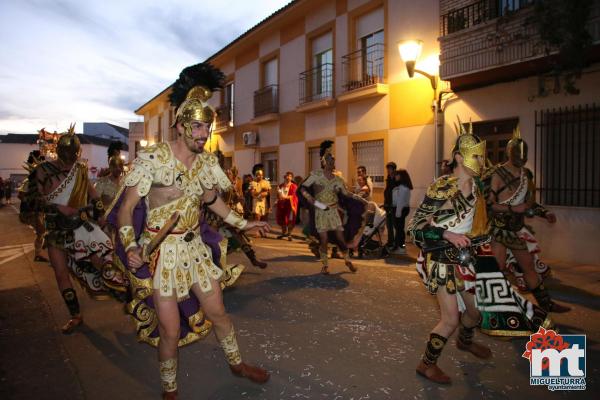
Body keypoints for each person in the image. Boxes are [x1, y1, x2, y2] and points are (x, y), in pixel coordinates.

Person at [117, 63, 270, 399]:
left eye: (208, 127)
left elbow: (214, 201)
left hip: (195, 250)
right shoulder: (154, 159)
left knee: (219, 313)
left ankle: (236, 364)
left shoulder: (205, 163)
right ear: (182, 125)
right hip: (162, 254)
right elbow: (127, 208)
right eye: (198, 127)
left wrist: (245, 223)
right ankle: (170, 391)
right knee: (170, 331)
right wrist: (130, 245)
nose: (204, 134)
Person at [408, 122, 492, 384]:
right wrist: (447, 234)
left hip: (465, 260)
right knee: (450, 320)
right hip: (441, 261)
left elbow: (478, 223)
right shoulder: (442, 188)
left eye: (481, 155)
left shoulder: (477, 188)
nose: (481, 160)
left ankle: (465, 342)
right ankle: (426, 364)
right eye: (476, 155)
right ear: (459, 156)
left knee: (475, 314)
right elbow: (414, 229)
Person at [31, 124, 125, 333]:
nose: (70, 157)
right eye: (67, 153)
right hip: (55, 230)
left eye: (73, 153)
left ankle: (125, 295)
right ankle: (75, 315)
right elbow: (31, 201)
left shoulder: (80, 171)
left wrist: (100, 216)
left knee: (101, 261)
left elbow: (94, 196)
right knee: (61, 273)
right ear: (59, 151)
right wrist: (57, 206)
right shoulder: (43, 171)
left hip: (81, 226)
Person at [485, 127, 569, 313]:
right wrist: (512, 208)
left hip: (515, 228)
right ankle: (491, 308)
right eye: (517, 152)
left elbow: (529, 202)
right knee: (498, 268)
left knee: (528, 266)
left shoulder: (527, 175)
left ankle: (546, 304)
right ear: (509, 152)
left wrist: (543, 212)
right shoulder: (496, 174)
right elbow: (487, 205)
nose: (521, 156)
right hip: (498, 229)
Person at [299, 140, 358, 275]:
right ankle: (325, 265)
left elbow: (346, 195)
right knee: (324, 239)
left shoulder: (338, 180)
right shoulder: (315, 175)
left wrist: (358, 200)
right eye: (329, 161)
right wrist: (311, 200)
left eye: (333, 161)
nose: (332, 163)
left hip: (333, 212)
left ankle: (348, 261)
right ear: (325, 162)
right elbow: (303, 188)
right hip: (320, 211)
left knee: (340, 238)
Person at [18, 151, 48, 261]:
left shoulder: (42, 182)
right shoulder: (29, 181)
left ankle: (40, 251)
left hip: (39, 211)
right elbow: (20, 195)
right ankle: (38, 254)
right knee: (41, 231)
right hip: (30, 212)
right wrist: (32, 201)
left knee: (44, 230)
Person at [391, 169, 412, 255]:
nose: (395, 176)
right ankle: (398, 246)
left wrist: (398, 213)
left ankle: (401, 247)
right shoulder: (401, 186)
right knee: (399, 228)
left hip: (401, 209)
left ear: (401, 176)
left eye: (397, 175)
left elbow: (400, 201)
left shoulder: (403, 188)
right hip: (401, 208)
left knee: (399, 229)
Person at [276, 171, 298, 240]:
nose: (288, 177)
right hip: (282, 205)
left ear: (292, 178)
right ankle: (283, 233)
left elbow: (294, 196)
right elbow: (278, 195)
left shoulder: (294, 186)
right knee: (282, 219)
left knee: (290, 220)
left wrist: (285, 197)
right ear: (284, 177)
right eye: (287, 176)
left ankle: (289, 234)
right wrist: (279, 196)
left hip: (290, 205)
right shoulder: (280, 186)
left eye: (290, 176)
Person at [250, 164, 271, 234]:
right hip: (256, 202)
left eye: (261, 175)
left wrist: (269, 205)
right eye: (258, 175)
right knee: (257, 217)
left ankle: (264, 232)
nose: (260, 176)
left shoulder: (267, 182)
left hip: (264, 202)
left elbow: (268, 193)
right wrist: (262, 190)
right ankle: (258, 232)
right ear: (256, 175)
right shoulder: (252, 183)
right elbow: (253, 194)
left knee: (264, 218)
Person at [383, 162, 397, 249]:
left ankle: (397, 242)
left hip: (395, 206)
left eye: (390, 168)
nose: (388, 170)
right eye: (387, 168)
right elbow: (387, 192)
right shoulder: (388, 179)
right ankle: (390, 241)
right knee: (389, 225)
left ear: (394, 169)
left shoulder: (396, 179)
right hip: (388, 205)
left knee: (396, 225)